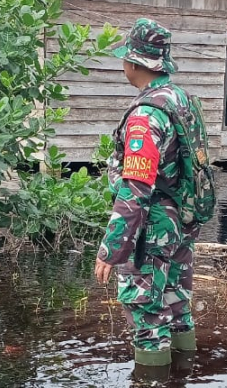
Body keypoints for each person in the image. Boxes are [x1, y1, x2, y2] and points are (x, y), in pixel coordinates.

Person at [93, 19, 205, 371]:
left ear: (133, 64)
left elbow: (136, 189)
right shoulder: (181, 99)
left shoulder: (145, 115)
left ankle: (151, 377)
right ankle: (185, 372)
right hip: (183, 220)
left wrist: (112, 249)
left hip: (153, 226)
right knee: (177, 302)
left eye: (125, 58)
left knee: (145, 309)